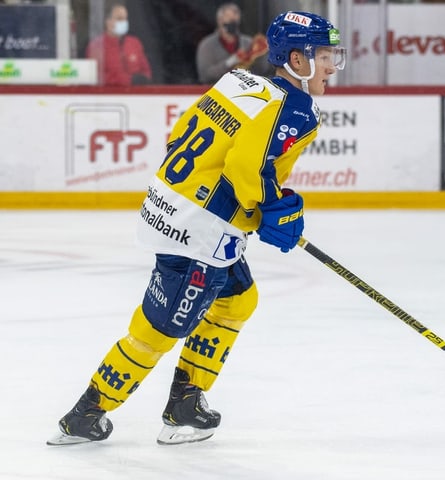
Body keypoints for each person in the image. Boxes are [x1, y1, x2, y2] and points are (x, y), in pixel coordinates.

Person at [47, 10, 346, 446]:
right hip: (198, 231)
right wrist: (272, 208)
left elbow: (181, 133)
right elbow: (247, 169)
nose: (333, 67)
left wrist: (254, 211)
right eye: (325, 56)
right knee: (160, 329)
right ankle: (85, 414)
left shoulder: (238, 81)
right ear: (297, 61)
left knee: (238, 300)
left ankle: (185, 401)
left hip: (174, 207)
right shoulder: (296, 109)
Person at [195, 2, 273, 85]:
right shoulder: (207, 45)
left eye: (235, 21)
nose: (232, 25)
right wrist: (231, 61)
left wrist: (261, 53)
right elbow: (205, 76)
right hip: (216, 91)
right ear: (219, 21)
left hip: (244, 91)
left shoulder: (248, 43)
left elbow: (262, 71)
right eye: (229, 20)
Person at [85, 2, 152, 86]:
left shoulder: (134, 43)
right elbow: (96, 76)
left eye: (125, 19)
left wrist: (142, 79)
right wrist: (128, 80)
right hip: (109, 96)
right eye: (120, 19)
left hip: (135, 96)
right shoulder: (96, 46)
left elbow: (146, 72)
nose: (124, 22)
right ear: (108, 22)